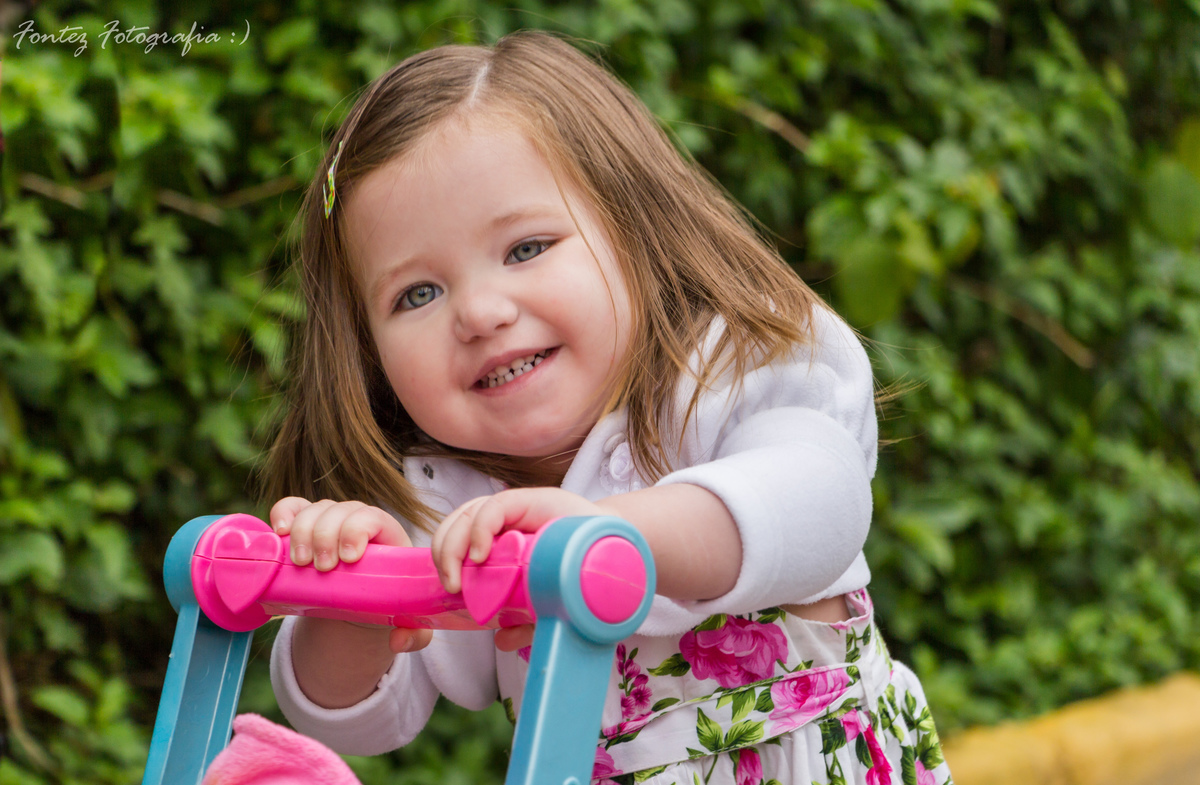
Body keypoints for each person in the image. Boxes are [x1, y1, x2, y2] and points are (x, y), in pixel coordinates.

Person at [262, 31, 952, 785]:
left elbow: (823, 502)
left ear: (632, 228)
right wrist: (354, 600)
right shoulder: (442, 499)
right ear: (368, 353)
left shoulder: (727, 371)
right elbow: (363, 719)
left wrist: (613, 536)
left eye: (526, 249)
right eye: (417, 293)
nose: (481, 313)